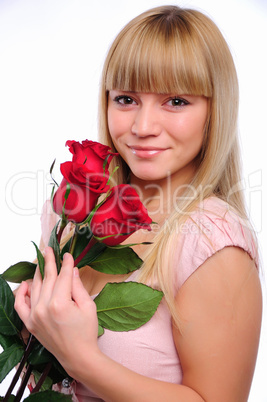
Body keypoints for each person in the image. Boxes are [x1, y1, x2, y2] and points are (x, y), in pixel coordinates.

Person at [15, 5, 262, 401]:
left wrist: (80, 358)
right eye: (126, 98)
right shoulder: (71, 210)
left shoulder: (211, 244)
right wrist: (32, 330)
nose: (143, 127)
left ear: (215, 110)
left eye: (176, 101)